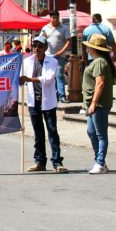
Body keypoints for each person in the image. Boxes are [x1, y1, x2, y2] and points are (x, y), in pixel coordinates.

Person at [19, 36, 68, 173]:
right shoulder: (27, 62)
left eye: (40, 46)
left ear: (45, 48)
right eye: (34, 46)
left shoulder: (52, 61)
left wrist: (28, 79)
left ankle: (57, 162)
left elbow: (47, 79)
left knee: (52, 132)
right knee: (38, 133)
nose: (36, 48)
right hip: (33, 102)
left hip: (48, 102)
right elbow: (22, 79)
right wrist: (21, 80)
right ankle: (40, 161)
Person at [82, 33, 116, 174]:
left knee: (100, 134)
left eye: (90, 47)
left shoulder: (99, 62)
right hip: (92, 104)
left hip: (98, 104)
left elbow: (100, 83)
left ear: (94, 49)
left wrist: (94, 103)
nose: (88, 50)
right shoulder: (99, 61)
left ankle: (100, 162)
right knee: (91, 132)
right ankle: (99, 160)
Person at [40, 11, 70, 103]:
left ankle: (62, 96)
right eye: (53, 18)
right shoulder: (45, 28)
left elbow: (68, 42)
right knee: (49, 76)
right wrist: (43, 38)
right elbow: (41, 41)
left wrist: (61, 52)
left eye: (57, 17)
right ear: (50, 18)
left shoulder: (64, 28)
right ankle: (52, 95)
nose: (55, 19)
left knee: (59, 75)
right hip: (48, 56)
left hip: (59, 56)